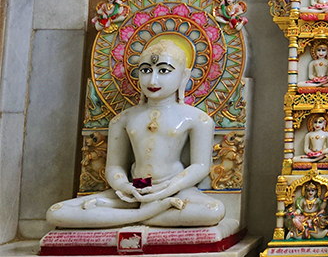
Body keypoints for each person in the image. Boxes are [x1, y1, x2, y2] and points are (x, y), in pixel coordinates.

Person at [46, 40, 225, 228]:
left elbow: (200, 166)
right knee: (57, 212)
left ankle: (123, 216)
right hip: (135, 189)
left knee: (213, 211)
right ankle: (147, 213)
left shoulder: (197, 119)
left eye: (163, 71)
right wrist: (125, 186)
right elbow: (115, 166)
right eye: (146, 70)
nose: (152, 80)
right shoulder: (122, 119)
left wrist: (167, 188)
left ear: (184, 76)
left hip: (175, 189)